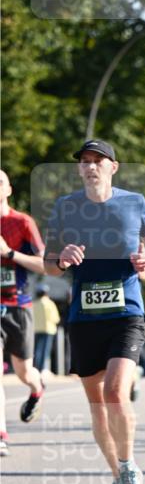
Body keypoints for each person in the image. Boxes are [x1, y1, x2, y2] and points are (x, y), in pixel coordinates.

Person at [44, 138, 145, 484]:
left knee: (115, 392)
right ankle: (118, 478)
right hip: (84, 317)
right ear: (79, 169)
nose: (91, 166)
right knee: (97, 405)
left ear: (114, 166)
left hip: (126, 312)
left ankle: (128, 471)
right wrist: (61, 258)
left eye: (98, 160)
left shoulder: (134, 202)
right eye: (85, 161)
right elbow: (48, 262)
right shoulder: (65, 208)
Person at [0, 169, 46, 456]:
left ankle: (36, 389)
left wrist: (10, 254)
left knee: (24, 371)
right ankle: (1, 433)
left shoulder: (22, 222)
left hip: (19, 306)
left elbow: (45, 265)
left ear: (8, 189)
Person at [32, 284, 61, 373]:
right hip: (48, 329)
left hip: (36, 329)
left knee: (37, 350)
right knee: (45, 350)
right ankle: (43, 369)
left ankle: (36, 368)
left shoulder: (34, 304)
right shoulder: (50, 303)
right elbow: (56, 318)